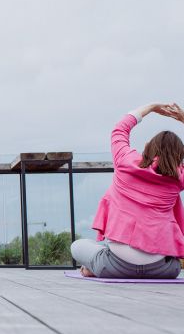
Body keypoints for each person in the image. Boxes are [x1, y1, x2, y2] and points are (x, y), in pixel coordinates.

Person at [71, 103, 184, 279]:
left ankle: (94, 267)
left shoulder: (126, 160)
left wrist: (151, 108)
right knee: (175, 265)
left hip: (114, 266)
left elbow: (119, 130)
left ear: (148, 147)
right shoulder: (179, 178)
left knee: (78, 246)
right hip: (162, 270)